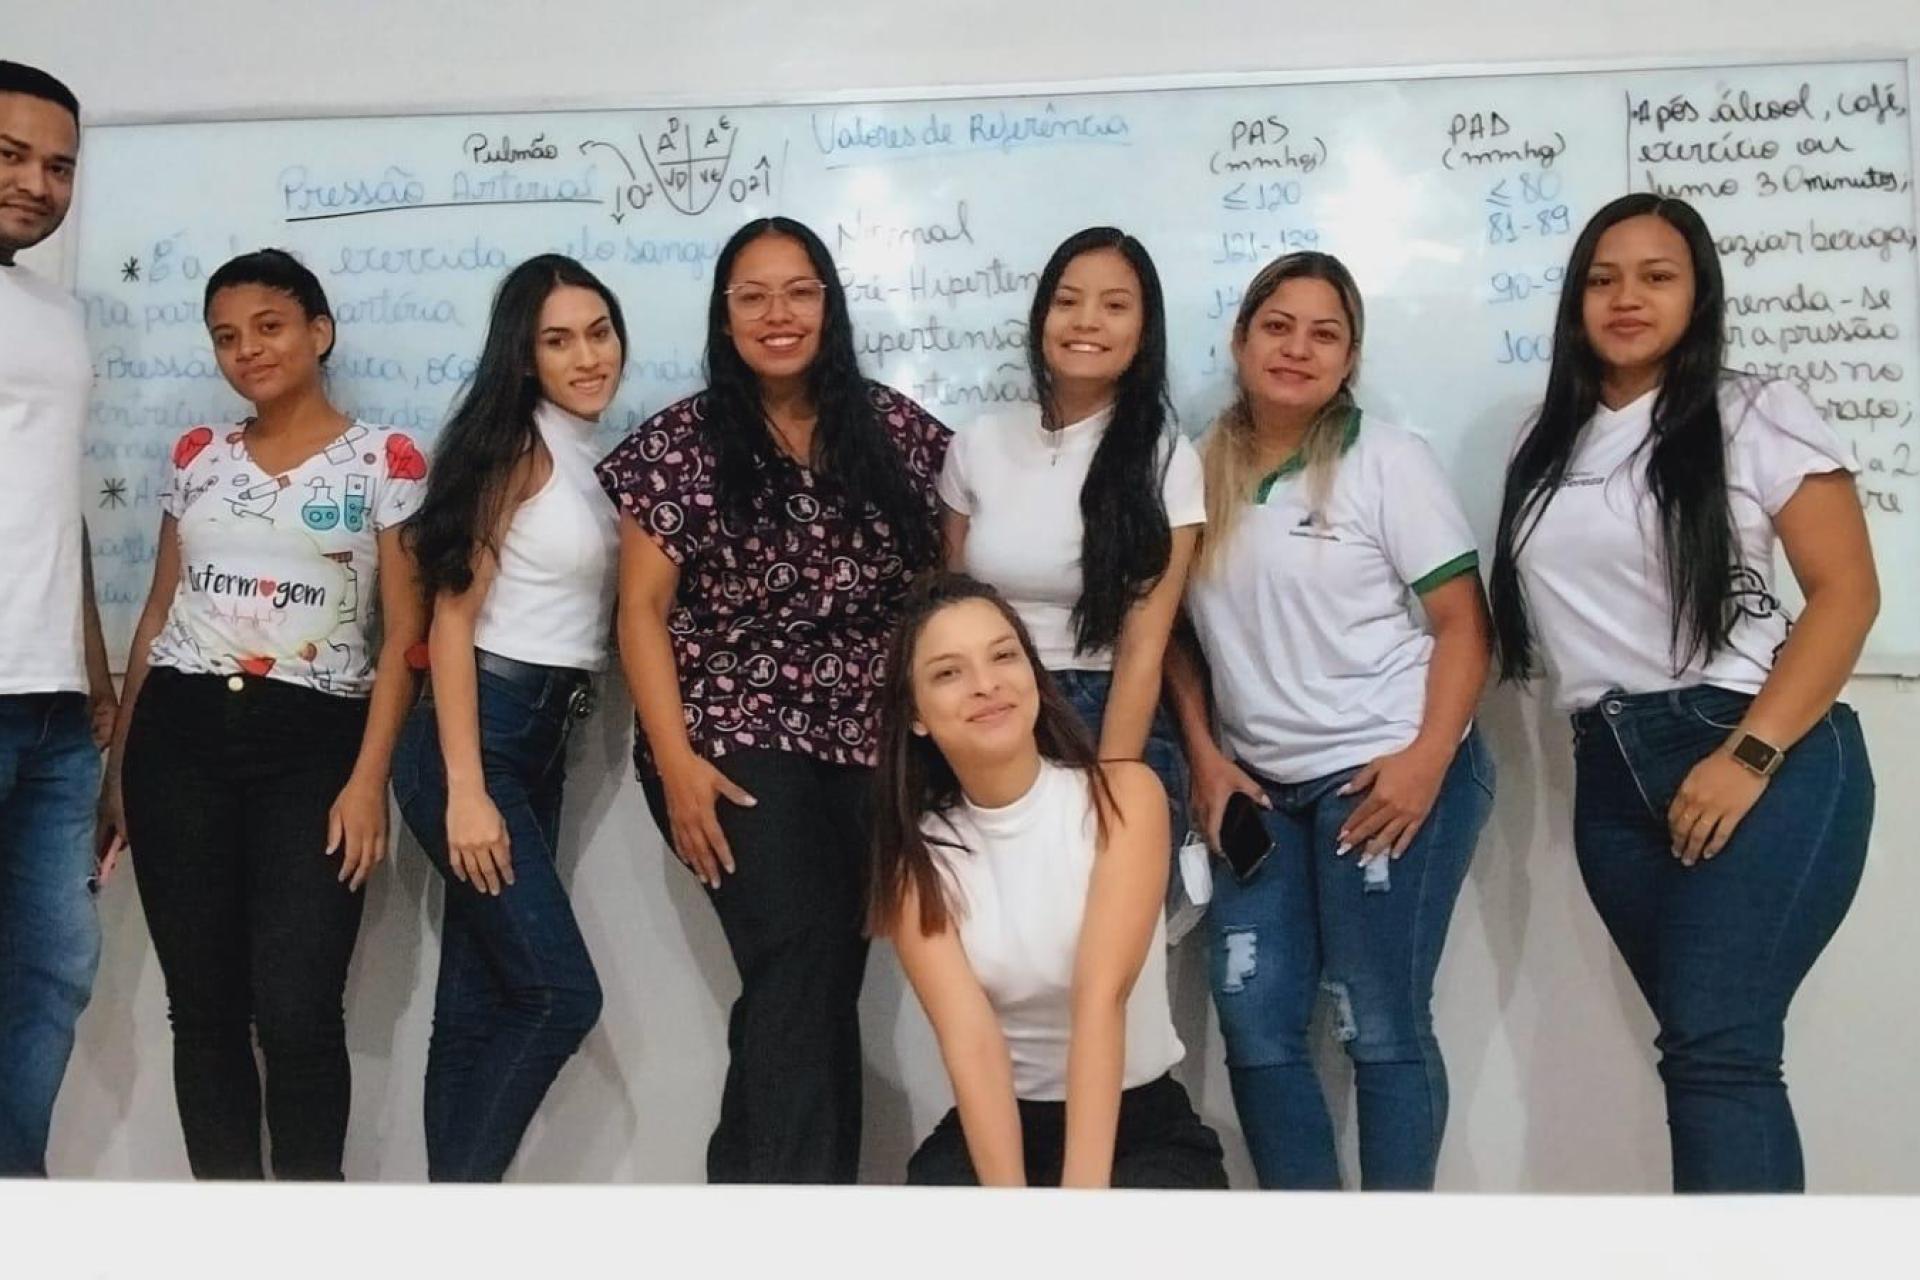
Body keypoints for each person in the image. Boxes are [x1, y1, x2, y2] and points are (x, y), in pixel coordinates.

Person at [1487, 194, 1877, 1193]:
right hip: (1611, 773)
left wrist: (1748, 756)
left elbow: (1847, 593)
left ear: (1697, 293)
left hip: (1751, 745)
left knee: (1720, 1053)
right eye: (1603, 278)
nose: (1626, 297)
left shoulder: (1754, 409)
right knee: (1703, 1051)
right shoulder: (1546, 437)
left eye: (1657, 275)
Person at [598, 216, 948, 1183]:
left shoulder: (899, 433)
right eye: (752, 296)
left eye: (797, 291)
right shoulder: (677, 443)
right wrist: (675, 764)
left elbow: (940, 594)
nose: (777, 314)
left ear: (829, 305)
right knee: (800, 964)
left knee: (818, 981)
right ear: (724, 314)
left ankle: (761, 1204)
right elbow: (641, 612)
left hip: (868, 746)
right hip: (725, 735)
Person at [1167, 251, 1494, 1190]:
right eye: (1278, 326)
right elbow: (1172, 638)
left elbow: (1464, 625)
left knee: (1377, 1020)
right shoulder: (1192, 470)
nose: (1297, 349)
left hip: (1386, 774)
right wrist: (1204, 756)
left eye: (1324, 333)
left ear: (1349, 358)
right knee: (1254, 1022)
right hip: (1258, 790)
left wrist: (1428, 761)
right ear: (1239, 339)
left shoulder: (1388, 460)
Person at [106, 249, 427, 1179]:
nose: (248, 349)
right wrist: (119, 771)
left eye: (270, 326)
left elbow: (406, 632)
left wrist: (368, 781)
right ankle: (225, 1233)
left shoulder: (387, 459)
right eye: (226, 336)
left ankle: (308, 1233)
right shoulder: (198, 456)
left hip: (315, 744)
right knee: (202, 1009)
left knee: (296, 1009)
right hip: (180, 737)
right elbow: (158, 613)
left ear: (319, 332)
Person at [871, 574, 1226, 1188]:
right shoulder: (917, 857)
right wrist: (1018, 1219)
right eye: (949, 673)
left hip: (1135, 1126)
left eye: (1004, 655)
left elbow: (1100, 998)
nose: (986, 685)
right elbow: (971, 1043)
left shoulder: (1124, 796)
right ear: (916, 715)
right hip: (1004, 1126)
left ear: (1035, 675)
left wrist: (1068, 1224)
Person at [391, 254, 624, 1182]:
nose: (586, 357)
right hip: (479, 731)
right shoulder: (515, 446)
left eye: (599, 332)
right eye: (558, 341)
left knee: (480, 999)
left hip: (542, 736)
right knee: (558, 996)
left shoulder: (595, 452)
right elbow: (451, 623)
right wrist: (465, 790)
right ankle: (460, 1218)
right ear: (524, 359)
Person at [937, 226, 1204, 933]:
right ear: (1041, 318)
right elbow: (949, 612)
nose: (1087, 321)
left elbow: (1146, 647)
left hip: (1103, 713)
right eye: (1068, 301)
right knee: (999, 945)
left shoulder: (1166, 456)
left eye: (1115, 306)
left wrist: (1108, 790)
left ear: (1144, 331)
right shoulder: (980, 443)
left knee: (1091, 954)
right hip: (991, 715)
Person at [0, 59, 115, 1178]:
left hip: (51, 706)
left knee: (52, 970)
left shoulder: (57, 312)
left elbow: (56, 498)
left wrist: (96, 671)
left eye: (60, 164)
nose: (38, 183)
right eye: (11, 154)